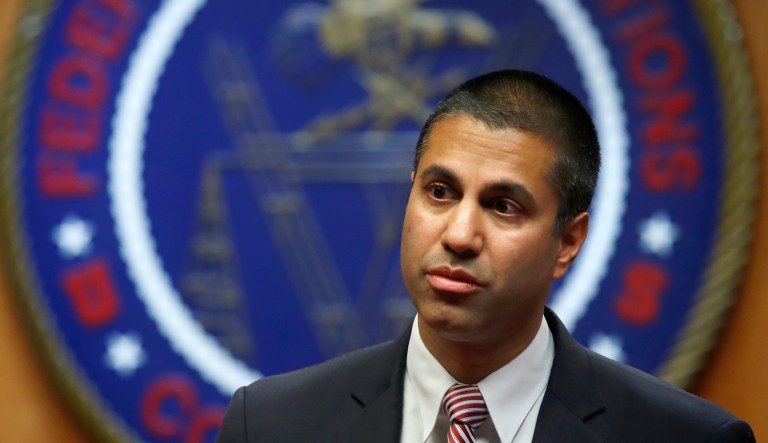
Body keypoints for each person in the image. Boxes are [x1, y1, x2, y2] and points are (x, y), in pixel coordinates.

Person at [215, 70, 755, 442]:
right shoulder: (269, 425)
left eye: (502, 206)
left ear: (567, 242)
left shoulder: (685, 438)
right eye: (440, 192)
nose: (459, 235)